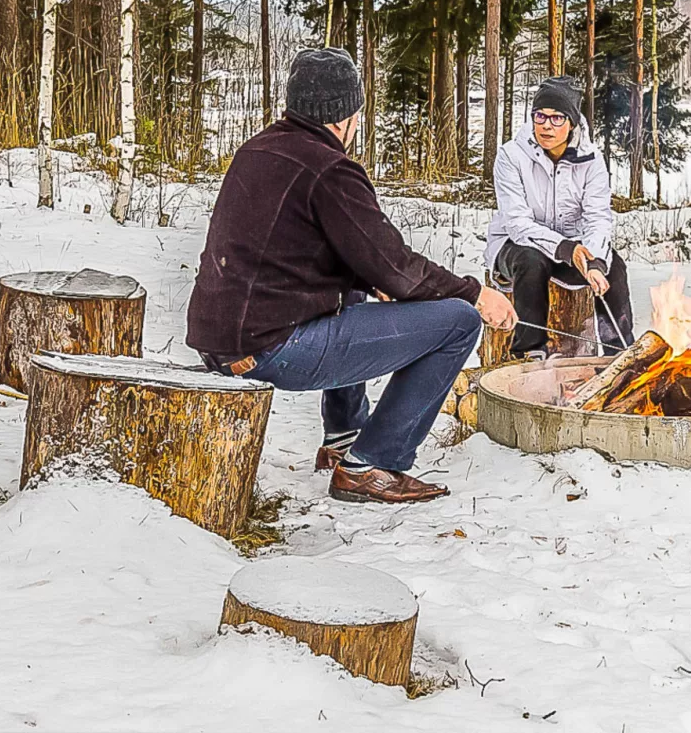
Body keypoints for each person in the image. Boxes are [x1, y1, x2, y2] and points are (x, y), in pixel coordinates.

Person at [186, 47, 518, 504]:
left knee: (356, 296)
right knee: (459, 322)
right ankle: (375, 463)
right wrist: (477, 294)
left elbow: (299, 253)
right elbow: (396, 266)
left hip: (222, 340)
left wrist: (368, 279)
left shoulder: (258, 149)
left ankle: (344, 437)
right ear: (344, 116)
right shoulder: (329, 168)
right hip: (269, 349)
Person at [486, 76, 635, 356]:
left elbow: (598, 218)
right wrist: (567, 249)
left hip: (575, 246)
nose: (546, 125)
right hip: (515, 246)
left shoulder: (591, 160)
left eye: (556, 118)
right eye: (540, 116)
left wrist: (594, 260)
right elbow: (517, 223)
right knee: (532, 260)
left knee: (613, 268)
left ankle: (619, 352)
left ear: (572, 123)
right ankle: (529, 352)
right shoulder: (510, 156)